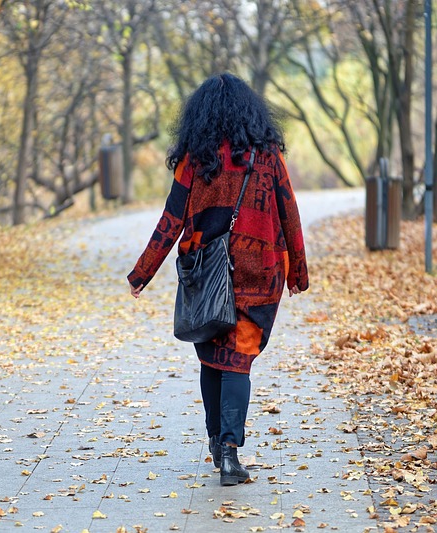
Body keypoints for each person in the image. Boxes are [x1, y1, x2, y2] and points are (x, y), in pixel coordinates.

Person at [127, 73, 309, 486]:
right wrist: (298, 271)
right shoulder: (268, 157)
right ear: (252, 113)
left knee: (211, 353)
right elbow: (290, 216)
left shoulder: (197, 159)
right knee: (238, 361)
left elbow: (170, 220)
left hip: (206, 274)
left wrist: (143, 273)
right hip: (259, 273)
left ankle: (216, 443)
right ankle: (230, 454)